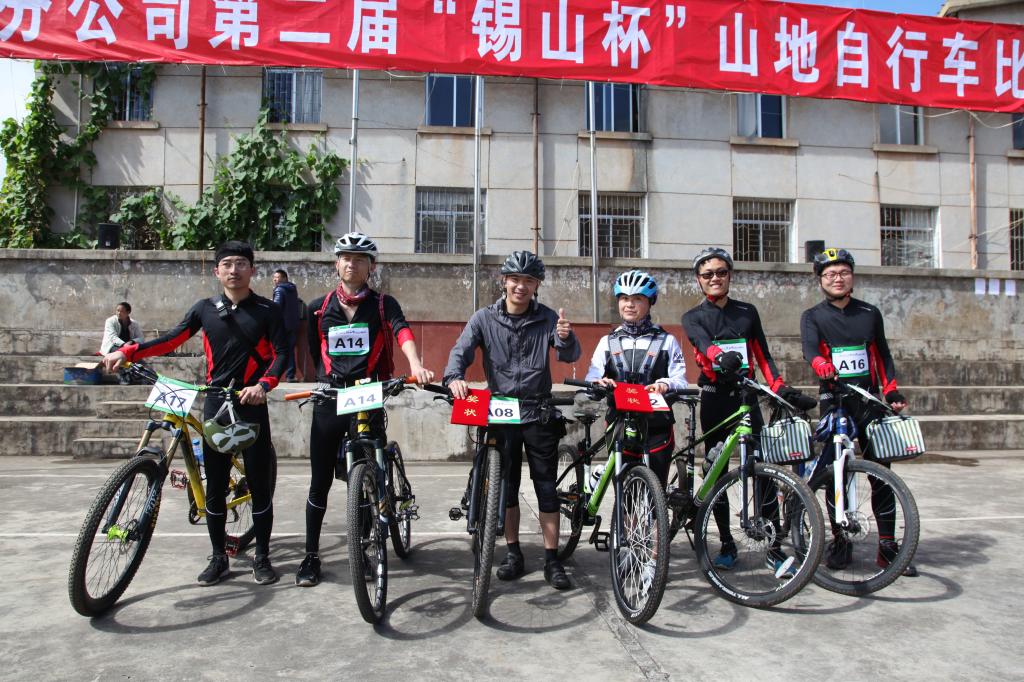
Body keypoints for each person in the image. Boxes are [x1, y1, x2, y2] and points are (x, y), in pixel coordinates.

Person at [102, 241, 288, 586]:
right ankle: (219, 557)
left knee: (260, 486)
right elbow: (171, 340)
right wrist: (128, 352)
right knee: (214, 486)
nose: (234, 270)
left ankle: (262, 556)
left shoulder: (268, 310)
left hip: (250, 403)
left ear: (252, 270)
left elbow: (281, 355)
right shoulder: (205, 309)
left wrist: (263, 385)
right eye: (227, 264)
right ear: (216, 271)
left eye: (241, 263)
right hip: (215, 403)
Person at [295, 232, 434, 587]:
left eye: (360, 259)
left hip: (369, 395)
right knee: (319, 482)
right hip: (331, 397)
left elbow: (402, 332)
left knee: (367, 475)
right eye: (346, 258)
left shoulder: (384, 304)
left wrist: (416, 364)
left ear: (371, 267)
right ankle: (311, 556)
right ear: (336, 263)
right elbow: (314, 350)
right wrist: (326, 380)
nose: (352, 264)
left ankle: (367, 549)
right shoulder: (318, 308)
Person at [444, 251, 580, 590]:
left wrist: (565, 337)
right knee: (507, 487)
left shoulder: (548, 318)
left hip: (537, 410)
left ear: (536, 285)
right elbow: (461, 350)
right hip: (501, 410)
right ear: (504, 281)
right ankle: (513, 552)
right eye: (515, 279)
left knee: (546, 488)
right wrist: (454, 377)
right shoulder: (483, 318)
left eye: (528, 280)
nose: (521, 286)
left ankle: (552, 559)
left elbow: (568, 355)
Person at [682, 247, 816, 575]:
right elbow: (701, 343)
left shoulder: (747, 312)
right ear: (699, 280)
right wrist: (719, 356)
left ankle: (773, 547)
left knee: (762, 471)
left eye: (721, 272)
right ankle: (727, 543)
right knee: (716, 471)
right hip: (714, 399)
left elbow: (763, 355)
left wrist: (779, 387)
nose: (715, 278)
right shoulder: (693, 316)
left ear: (730, 275)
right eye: (707, 274)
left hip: (747, 398)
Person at [800, 247, 918, 577]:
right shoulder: (813, 316)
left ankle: (887, 546)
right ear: (820, 280)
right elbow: (810, 349)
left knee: (881, 474)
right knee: (837, 473)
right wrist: (820, 363)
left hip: (868, 402)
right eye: (829, 274)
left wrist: (891, 390)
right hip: (834, 400)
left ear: (852, 276)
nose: (837, 279)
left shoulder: (869, 313)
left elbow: (883, 355)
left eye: (843, 272)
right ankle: (841, 540)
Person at [584, 270, 688, 486]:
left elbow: (681, 380)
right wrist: (599, 382)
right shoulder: (607, 342)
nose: (629, 304)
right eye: (624, 298)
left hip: (657, 424)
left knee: (657, 490)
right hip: (620, 423)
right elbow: (592, 378)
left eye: (637, 299)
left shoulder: (667, 341)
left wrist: (665, 383)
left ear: (650, 302)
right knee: (624, 490)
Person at [272, 269, 300, 381]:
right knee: (290, 350)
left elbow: (276, 306)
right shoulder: (292, 289)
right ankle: (290, 375)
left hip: (282, 325)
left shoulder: (279, 290)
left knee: (279, 350)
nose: (275, 279)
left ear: (284, 278)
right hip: (293, 324)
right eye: (274, 277)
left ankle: (273, 375)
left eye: (277, 277)